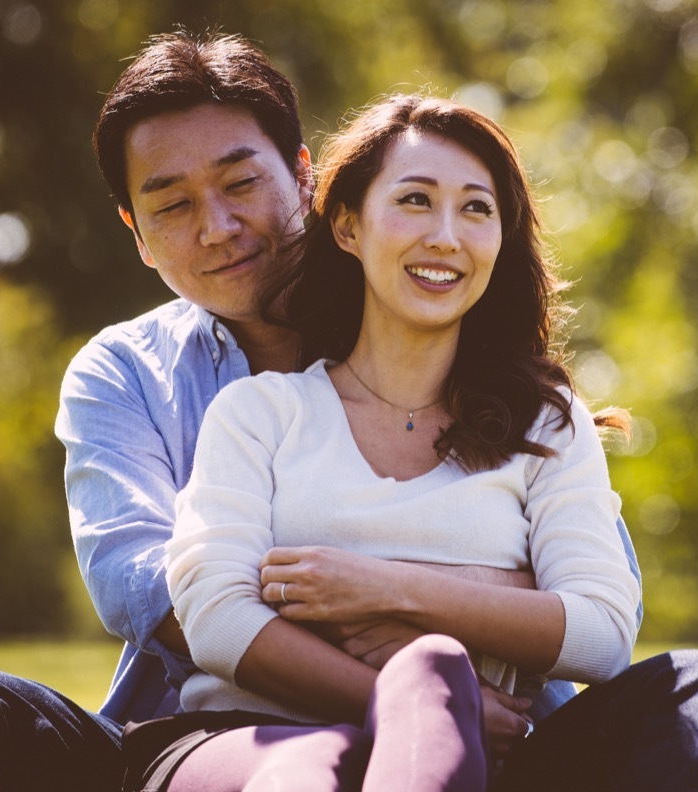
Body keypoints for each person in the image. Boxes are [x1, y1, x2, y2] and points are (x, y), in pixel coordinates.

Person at [0, 30, 698, 792]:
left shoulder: (467, 356)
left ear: (305, 179)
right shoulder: (127, 376)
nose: (218, 226)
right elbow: (156, 594)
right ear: (134, 234)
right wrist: (458, 616)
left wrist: (389, 597)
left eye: (240, 182)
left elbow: (604, 612)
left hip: (508, 730)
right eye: (172, 205)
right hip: (227, 734)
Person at [125, 92, 643, 790]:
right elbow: (216, 618)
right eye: (416, 200)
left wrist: (380, 588)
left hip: (475, 755)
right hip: (255, 740)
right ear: (346, 226)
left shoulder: (547, 425)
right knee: (403, 696)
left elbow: (603, 635)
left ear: (500, 239)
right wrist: (464, 635)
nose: (446, 237)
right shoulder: (260, 412)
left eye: (476, 209)